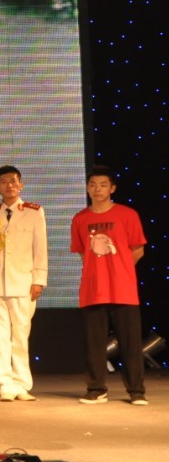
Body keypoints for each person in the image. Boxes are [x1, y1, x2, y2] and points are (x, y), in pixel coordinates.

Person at [71, 166, 149, 406]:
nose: (98, 189)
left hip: (123, 289)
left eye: (103, 185)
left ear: (112, 188)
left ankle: (136, 391)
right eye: (93, 185)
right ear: (87, 188)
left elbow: (138, 250)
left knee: (130, 344)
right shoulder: (80, 218)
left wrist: (119, 269)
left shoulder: (128, 215)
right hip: (93, 290)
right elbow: (83, 253)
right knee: (94, 345)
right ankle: (96, 389)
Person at [0, 165, 48, 402]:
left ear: (21, 185)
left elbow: (40, 248)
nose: (9, 185)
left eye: (13, 181)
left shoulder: (34, 211)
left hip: (23, 282)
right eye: (4, 181)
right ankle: (4, 383)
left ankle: (21, 383)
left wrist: (39, 279)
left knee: (20, 334)